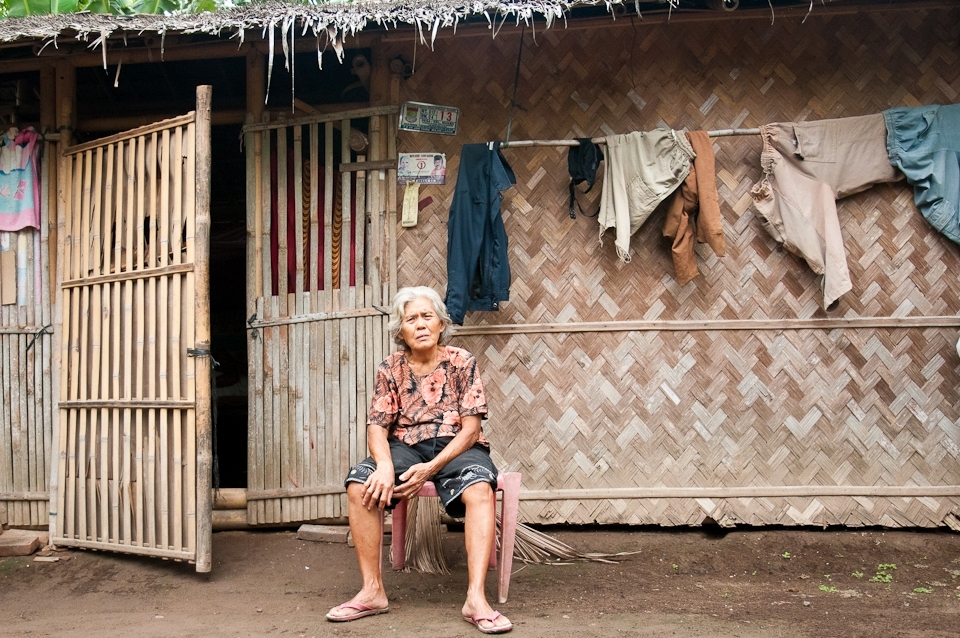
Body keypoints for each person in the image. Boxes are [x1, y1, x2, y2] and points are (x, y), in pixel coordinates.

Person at [326, 286, 513, 634]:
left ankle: (476, 598)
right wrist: (383, 465)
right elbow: (377, 428)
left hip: (457, 445)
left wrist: (431, 468)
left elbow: (471, 429)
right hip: (405, 446)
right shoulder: (390, 368)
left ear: (441, 323)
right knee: (358, 483)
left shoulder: (461, 361)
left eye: (428, 316)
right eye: (411, 319)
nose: (421, 324)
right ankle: (372, 592)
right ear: (401, 331)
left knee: (478, 489)